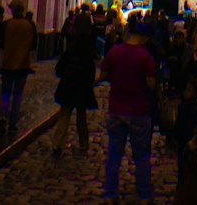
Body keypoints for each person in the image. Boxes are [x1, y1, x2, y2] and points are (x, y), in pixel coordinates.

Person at [100, 13, 157, 205]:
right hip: (139, 111)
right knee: (141, 157)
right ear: (144, 37)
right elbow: (151, 84)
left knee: (114, 154)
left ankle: (110, 194)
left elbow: (105, 75)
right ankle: (144, 196)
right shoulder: (145, 57)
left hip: (116, 109)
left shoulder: (114, 52)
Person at [51, 12, 97, 157]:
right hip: (82, 85)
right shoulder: (89, 43)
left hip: (69, 83)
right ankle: (84, 143)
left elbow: (62, 64)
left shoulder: (73, 41)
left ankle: (57, 144)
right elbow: (90, 66)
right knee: (81, 116)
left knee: (64, 114)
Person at [0, 0, 34, 137]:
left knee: (6, 93)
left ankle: (3, 115)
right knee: (18, 95)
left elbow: (2, 44)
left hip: (7, 64)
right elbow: (34, 45)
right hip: (23, 65)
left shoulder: (6, 24)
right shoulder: (30, 25)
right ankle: (13, 123)